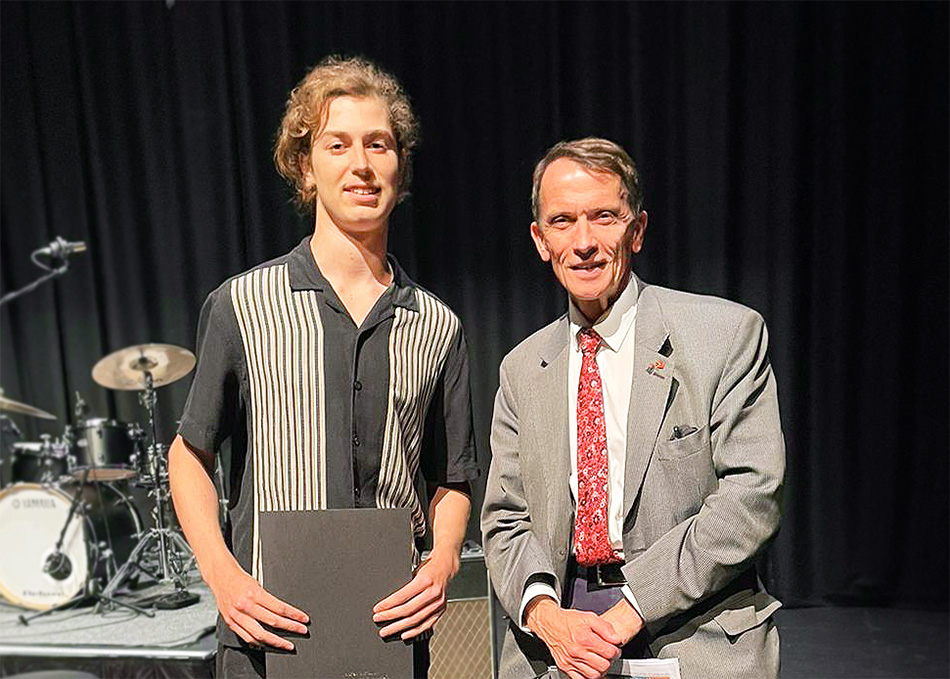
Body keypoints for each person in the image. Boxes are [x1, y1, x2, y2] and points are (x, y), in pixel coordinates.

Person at [169, 56, 478, 679]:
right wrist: (223, 575)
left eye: (379, 144)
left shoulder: (438, 325)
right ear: (306, 166)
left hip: (387, 637)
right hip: (267, 633)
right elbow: (190, 454)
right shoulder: (242, 305)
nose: (361, 163)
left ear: (400, 165)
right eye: (338, 144)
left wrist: (443, 559)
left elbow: (453, 477)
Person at [481, 137, 784, 679]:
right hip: (560, 630)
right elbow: (506, 520)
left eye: (604, 217)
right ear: (539, 240)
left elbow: (750, 498)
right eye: (563, 221)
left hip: (693, 625)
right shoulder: (522, 369)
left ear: (637, 230)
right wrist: (548, 618)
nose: (584, 243)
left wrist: (629, 611)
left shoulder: (725, 335)